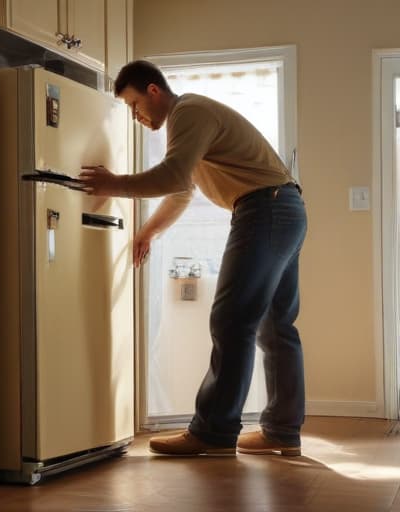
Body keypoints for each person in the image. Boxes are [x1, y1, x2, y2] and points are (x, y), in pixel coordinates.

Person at [79, 60, 307, 457]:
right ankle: (282, 431)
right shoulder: (190, 123)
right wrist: (148, 232)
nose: (135, 116)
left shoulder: (188, 112)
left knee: (231, 319)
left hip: (265, 209)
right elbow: (182, 191)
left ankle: (214, 432)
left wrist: (114, 183)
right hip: (283, 207)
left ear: (153, 91)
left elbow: (172, 176)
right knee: (275, 325)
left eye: (134, 105)